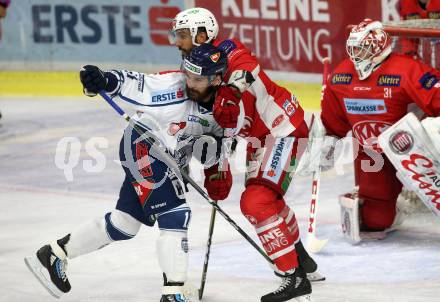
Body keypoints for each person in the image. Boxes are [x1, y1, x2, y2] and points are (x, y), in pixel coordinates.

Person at [24, 44, 231, 302]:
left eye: (197, 79)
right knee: (175, 215)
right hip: (144, 144)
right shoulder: (172, 85)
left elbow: (210, 153)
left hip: (166, 158)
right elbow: (135, 83)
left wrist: (216, 157)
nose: (189, 82)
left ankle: (55, 253)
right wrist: (103, 79)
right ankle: (173, 294)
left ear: (217, 79)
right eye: (187, 74)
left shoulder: (226, 109)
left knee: (125, 224)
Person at [170, 7, 321, 302]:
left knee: (256, 201)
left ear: (203, 35)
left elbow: (244, 68)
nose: (177, 41)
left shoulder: (229, 52)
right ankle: (302, 260)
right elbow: (217, 128)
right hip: (257, 139)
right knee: (269, 201)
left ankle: (294, 278)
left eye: (183, 35)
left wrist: (233, 91)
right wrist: (215, 168)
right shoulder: (194, 70)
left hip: (283, 130)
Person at [313, 19, 439, 242]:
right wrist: (326, 141)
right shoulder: (341, 76)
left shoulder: (406, 69)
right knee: (374, 222)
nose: (356, 54)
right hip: (373, 155)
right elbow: (334, 123)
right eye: (353, 48)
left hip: (414, 148)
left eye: (363, 48)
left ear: (379, 45)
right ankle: (395, 206)